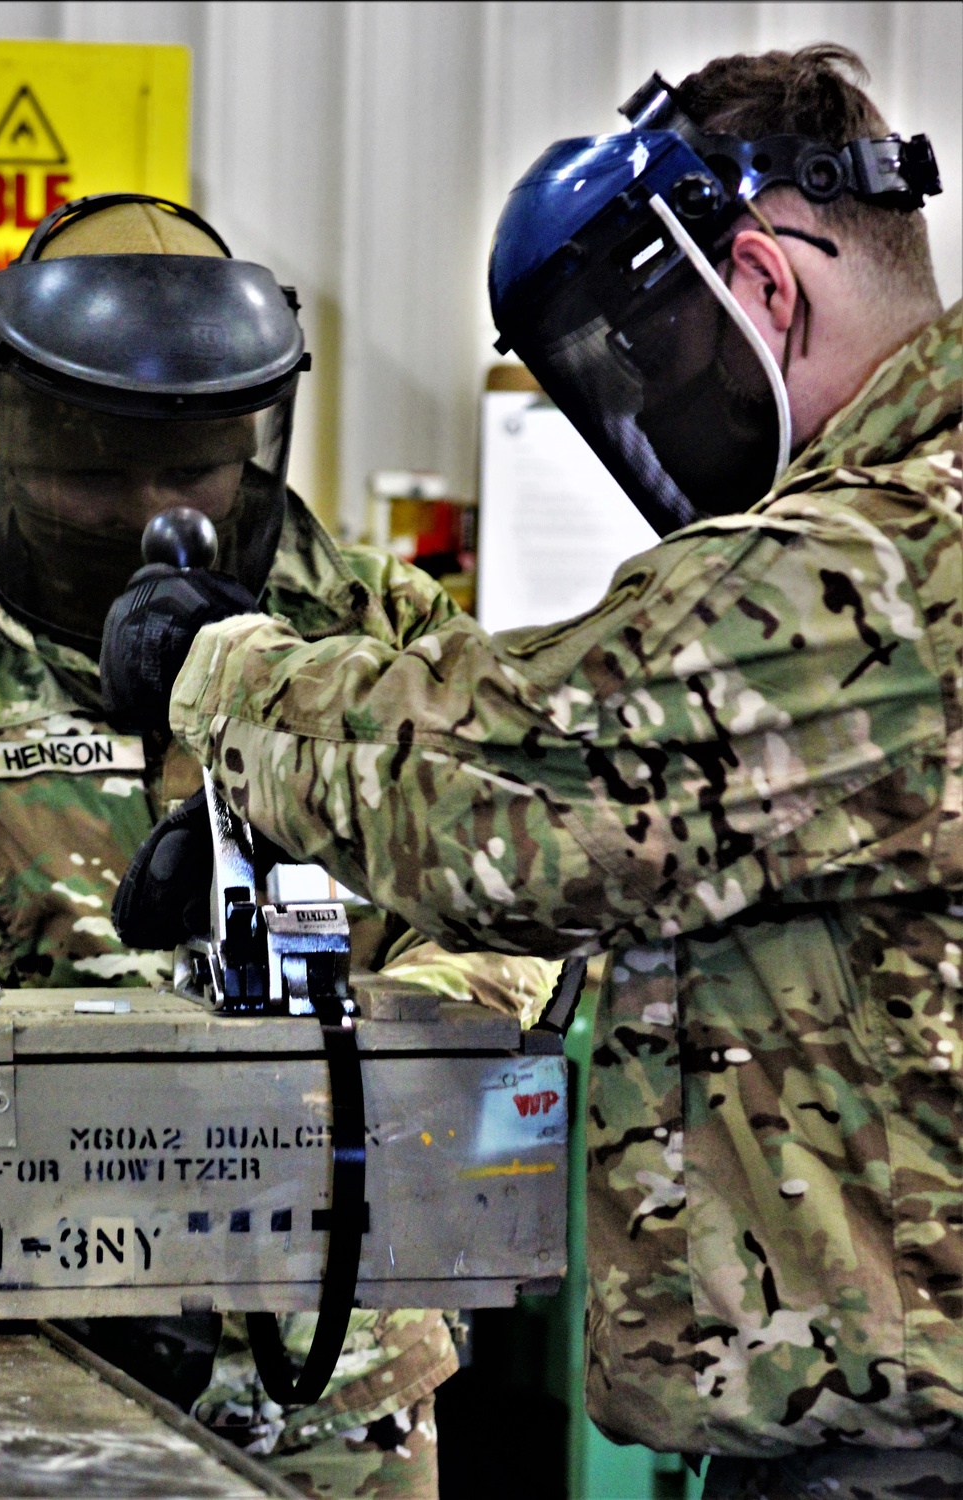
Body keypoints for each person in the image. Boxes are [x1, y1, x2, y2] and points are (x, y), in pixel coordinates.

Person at [98, 45, 962, 1500]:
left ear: (762, 284)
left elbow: (520, 789)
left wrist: (217, 672)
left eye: (658, 359)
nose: (649, 416)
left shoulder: (870, 566)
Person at [0, 192, 560, 1500]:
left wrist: (353, 1052)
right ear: (15, 428)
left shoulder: (368, 629)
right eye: (96, 467)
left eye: (189, 468)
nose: (147, 511)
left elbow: (517, 887)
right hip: (32, 1358)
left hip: (346, 1356)